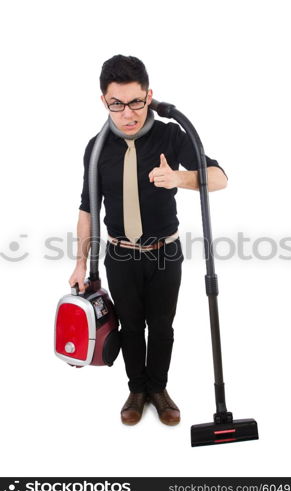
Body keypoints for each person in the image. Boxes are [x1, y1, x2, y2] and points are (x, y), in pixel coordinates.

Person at [69, 55, 227, 426]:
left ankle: (159, 388)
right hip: (121, 255)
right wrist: (79, 262)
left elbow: (219, 178)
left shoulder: (171, 135)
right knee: (130, 326)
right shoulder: (96, 149)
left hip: (165, 252)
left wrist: (180, 179)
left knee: (162, 326)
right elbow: (87, 209)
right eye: (117, 104)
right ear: (104, 101)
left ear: (149, 95)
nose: (128, 113)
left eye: (136, 102)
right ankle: (136, 389)